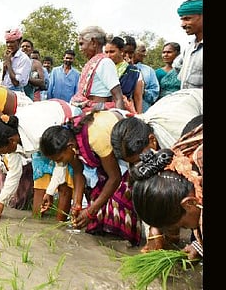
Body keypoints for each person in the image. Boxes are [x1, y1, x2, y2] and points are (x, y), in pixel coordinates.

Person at [110, 88, 203, 252]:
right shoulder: (158, 152)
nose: (142, 166)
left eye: (140, 160)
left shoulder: (179, 138)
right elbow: (157, 192)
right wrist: (154, 231)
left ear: (152, 141)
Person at [39, 109, 142, 247]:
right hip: (109, 160)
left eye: (60, 159)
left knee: (118, 199)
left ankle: (124, 245)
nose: (60, 163)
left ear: (70, 147)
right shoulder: (71, 143)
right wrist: (77, 204)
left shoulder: (96, 136)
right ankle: (102, 244)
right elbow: (77, 172)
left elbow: (115, 178)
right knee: (94, 197)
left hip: (130, 145)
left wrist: (90, 211)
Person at [0, 100, 83, 220]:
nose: (1, 154)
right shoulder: (13, 140)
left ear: (11, 141)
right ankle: (37, 222)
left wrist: (50, 192)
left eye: (0, 151)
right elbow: (14, 173)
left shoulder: (38, 134)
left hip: (63, 125)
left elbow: (60, 163)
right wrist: (0, 201)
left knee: (64, 186)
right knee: (39, 181)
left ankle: (59, 227)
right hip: (41, 135)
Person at [129, 121, 203, 260]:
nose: (186, 228)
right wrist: (198, 246)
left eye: (183, 225)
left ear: (189, 203)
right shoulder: (172, 161)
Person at [70, 26, 126, 113]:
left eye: (81, 44)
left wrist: (120, 121)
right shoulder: (92, 62)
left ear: (93, 42)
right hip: (85, 108)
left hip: (98, 111)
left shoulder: (105, 62)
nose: (80, 49)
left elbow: (118, 97)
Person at [105, 36, 143, 113]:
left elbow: (138, 98)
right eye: (106, 52)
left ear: (121, 51)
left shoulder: (134, 72)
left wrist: (139, 117)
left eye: (112, 52)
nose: (108, 55)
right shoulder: (101, 68)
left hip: (125, 112)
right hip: (102, 110)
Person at [174, 0, 203, 89]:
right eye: (182, 19)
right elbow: (177, 67)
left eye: (187, 19)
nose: (182, 25)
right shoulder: (189, 47)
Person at [132, 40, 159, 112]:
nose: (145, 54)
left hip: (144, 111)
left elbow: (155, 93)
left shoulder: (149, 70)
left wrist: (143, 91)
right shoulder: (122, 68)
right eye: (143, 51)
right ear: (134, 52)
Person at [1, 28, 32, 92]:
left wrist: (9, 63)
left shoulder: (24, 59)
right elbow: (3, 79)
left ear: (19, 41)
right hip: (4, 90)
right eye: (7, 42)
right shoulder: (7, 56)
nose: (9, 45)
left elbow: (16, 83)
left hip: (16, 93)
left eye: (12, 42)